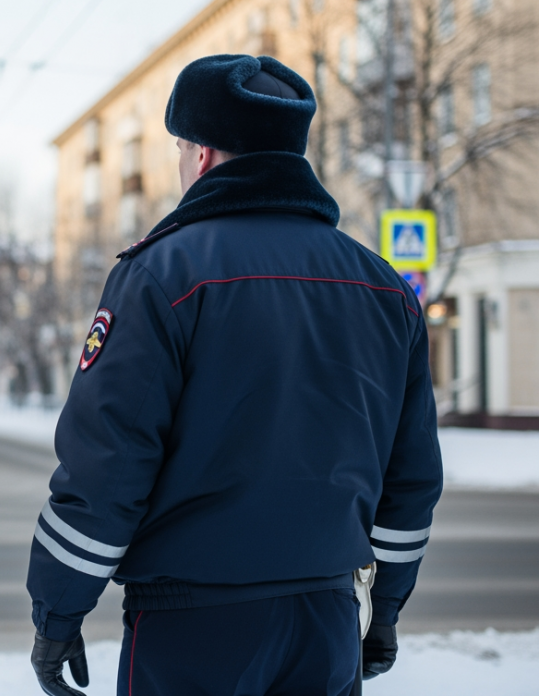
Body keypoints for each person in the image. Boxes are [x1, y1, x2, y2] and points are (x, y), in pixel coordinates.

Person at [26, 54, 443, 696]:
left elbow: (107, 466)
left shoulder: (163, 276)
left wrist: (59, 610)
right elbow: (410, 478)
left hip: (191, 625)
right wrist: (383, 608)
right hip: (326, 619)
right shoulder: (385, 288)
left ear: (201, 154)